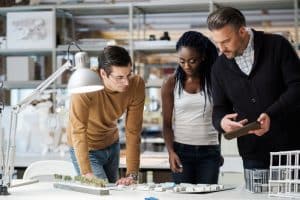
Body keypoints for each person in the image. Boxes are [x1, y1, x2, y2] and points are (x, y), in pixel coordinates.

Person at [207, 7, 300, 170]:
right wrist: (222, 123)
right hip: (253, 154)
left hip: (291, 148)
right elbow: (220, 108)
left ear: (242, 31)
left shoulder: (277, 46)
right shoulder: (218, 68)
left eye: (226, 41)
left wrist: (272, 114)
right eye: (217, 43)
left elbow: (297, 87)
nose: (221, 49)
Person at [67, 45, 145, 185]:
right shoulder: (85, 84)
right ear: (103, 73)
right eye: (119, 77)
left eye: (129, 74)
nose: (126, 82)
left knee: (117, 192)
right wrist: (86, 173)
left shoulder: (136, 84)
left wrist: (132, 174)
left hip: (111, 144)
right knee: (100, 192)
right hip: (87, 147)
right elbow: (78, 130)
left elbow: (133, 132)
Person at [161, 31, 221, 184]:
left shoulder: (214, 82)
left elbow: (218, 119)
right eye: (182, 61)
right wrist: (171, 152)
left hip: (209, 152)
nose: (186, 65)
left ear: (203, 57)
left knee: (207, 197)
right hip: (181, 152)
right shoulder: (171, 83)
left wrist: (218, 149)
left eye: (192, 61)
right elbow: (167, 124)